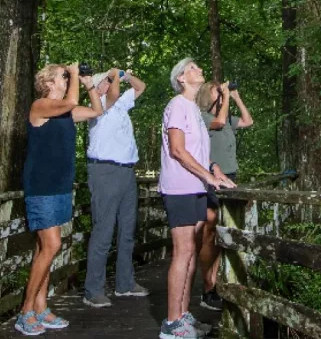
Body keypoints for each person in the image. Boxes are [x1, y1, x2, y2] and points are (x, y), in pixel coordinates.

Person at [16, 63, 103, 336]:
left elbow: (97, 111)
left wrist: (89, 83)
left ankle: (41, 308)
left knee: (46, 248)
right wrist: (74, 73)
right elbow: (72, 101)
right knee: (52, 245)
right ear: (48, 83)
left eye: (66, 77)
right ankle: (25, 312)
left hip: (60, 187)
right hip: (41, 186)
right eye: (62, 77)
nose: (66, 80)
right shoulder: (40, 106)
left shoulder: (66, 113)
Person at [158, 58, 236, 339]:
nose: (198, 69)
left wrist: (216, 170)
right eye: (192, 68)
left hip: (196, 188)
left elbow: (201, 151)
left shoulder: (193, 108)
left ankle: (183, 316)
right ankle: (171, 323)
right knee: (182, 253)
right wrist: (208, 176)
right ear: (181, 78)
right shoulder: (177, 105)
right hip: (180, 188)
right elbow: (178, 150)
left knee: (191, 252)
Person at [83, 67, 149, 308]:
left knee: (127, 230)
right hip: (105, 171)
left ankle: (125, 283)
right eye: (107, 82)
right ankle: (93, 290)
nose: (110, 85)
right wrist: (113, 75)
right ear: (100, 86)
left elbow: (141, 87)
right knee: (104, 230)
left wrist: (126, 74)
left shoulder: (121, 105)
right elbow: (111, 95)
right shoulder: (98, 105)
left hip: (126, 171)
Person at [197, 80, 254, 310]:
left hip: (230, 177)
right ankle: (207, 286)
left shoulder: (226, 119)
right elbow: (219, 122)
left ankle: (220, 283)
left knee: (225, 230)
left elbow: (248, 121)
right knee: (210, 231)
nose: (220, 93)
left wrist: (236, 96)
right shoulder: (203, 118)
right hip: (211, 176)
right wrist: (225, 96)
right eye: (216, 91)